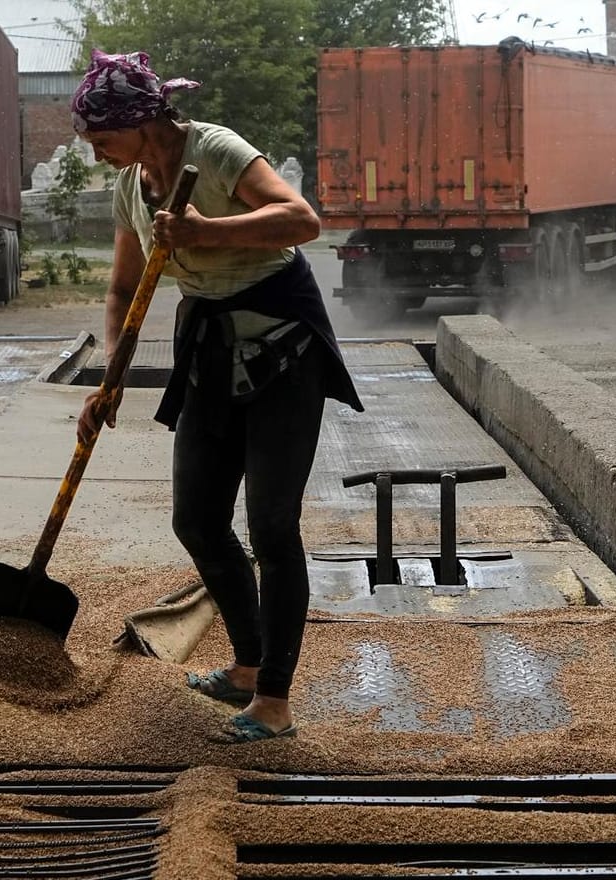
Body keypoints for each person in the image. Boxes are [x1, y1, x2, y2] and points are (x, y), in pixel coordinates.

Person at [71, 50, 364, 743]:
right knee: (197, 519)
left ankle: (274, 700)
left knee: (271, 526)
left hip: (283, 348)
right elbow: (121, 291)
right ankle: (245, 662)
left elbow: (302, 221)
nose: (96, 154)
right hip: (207, 351)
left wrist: (206, 231)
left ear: (144, 121)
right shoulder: (132, 186)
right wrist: (112, 377)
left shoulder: (218, 150)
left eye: (101, 139)